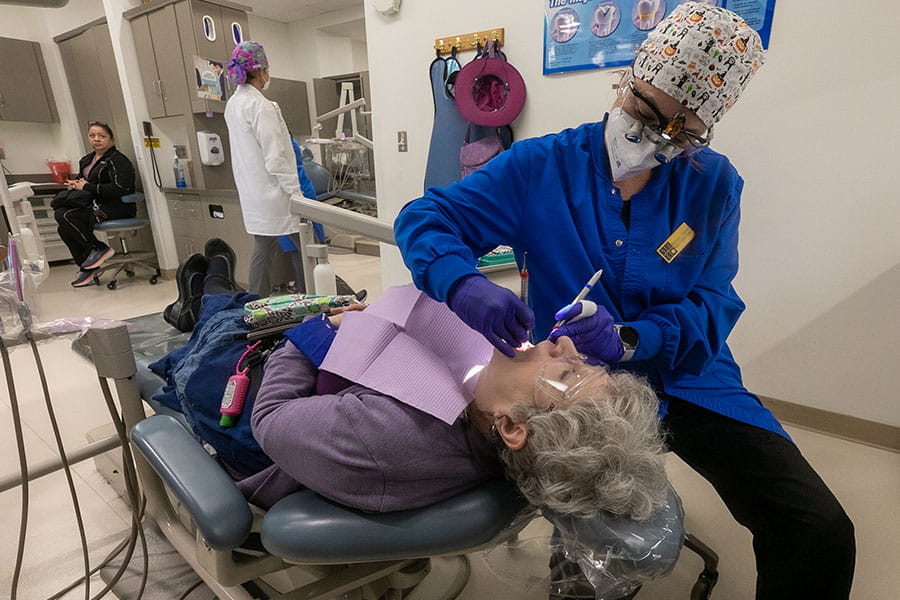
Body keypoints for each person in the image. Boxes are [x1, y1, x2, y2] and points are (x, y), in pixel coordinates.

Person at [393, 4, 855, 599]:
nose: (655, 137)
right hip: (578, 384)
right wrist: (462, 282)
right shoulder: (542, 167)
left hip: (686, 373)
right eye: (645, 109)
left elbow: (715, 302)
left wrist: (633, 339)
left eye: (682, 131)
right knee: (587, 559)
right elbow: (426, 217)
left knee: (817, 528)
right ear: (627, 78)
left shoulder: (714, 184)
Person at [152, 242, 669, 520]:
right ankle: (209, 290)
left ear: (514, 428)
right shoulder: (485, 406)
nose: (568, 344)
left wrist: (309, 338)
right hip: (335, 376)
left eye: (566, 370)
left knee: (227, 321)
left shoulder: (391, 438)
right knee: (253, 305)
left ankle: (204, 294)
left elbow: (270, 421)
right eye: (585, 360)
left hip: (246, 404)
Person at [224, 41, 310, 296]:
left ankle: (254, 303)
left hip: (253, 193)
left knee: (263, 248)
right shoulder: (261, 106)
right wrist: (296, 193)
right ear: (261, 71)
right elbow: (276, 157)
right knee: (305, 247)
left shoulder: (234, 104)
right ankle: (312, 300)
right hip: (275, 194)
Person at [53, 121, 135, 287]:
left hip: (115, 207)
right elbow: (82, 181)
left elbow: (121, 188)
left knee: (68, 216)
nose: (96, 139)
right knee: (62, 225)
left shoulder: (117, 160)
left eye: (101, 136)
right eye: (92, 136)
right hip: (93, 205)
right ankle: (87, 265)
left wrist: (87, 187)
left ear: (111, 140)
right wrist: (75, 185)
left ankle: (97, 248)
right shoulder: (86, 160)